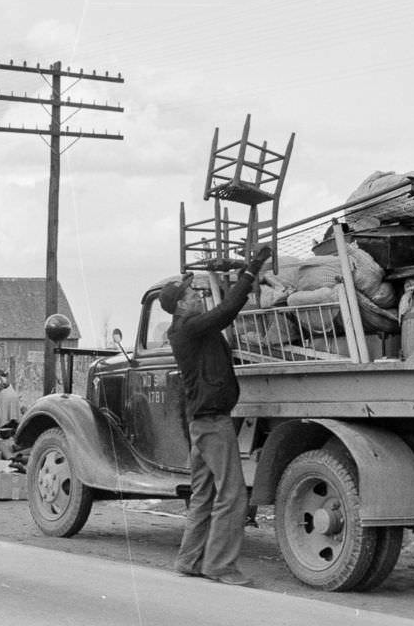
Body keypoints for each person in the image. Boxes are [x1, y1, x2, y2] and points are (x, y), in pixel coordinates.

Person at [162, 244, 271, 587]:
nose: (197, 296)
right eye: (192, 294)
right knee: (233, 494)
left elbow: (220, 311)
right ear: (181, 305)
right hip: (212, 422)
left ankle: (189, 559)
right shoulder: (189, 328)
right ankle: (220, 566)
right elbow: (225, 312)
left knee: (205, 494)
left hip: (202, 422)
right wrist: (251, 272)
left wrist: (239, 280)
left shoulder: (191, 328)